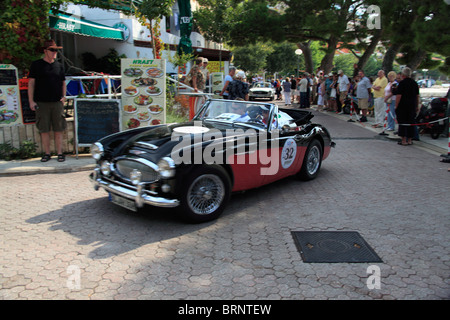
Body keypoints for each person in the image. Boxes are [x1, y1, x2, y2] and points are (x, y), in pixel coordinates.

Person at [28, 39, 67, 162]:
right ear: (45, 51)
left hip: (56, 102)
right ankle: (47, 153)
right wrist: (31, 101)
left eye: (56, 50)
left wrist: (64, 96)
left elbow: (63, 82)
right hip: (41, 102)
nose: (54, 52)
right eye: (52, 50)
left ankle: (60, 153)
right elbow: (31, 84)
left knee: (59, 128)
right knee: (44, 129)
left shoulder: (59, 66)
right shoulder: (36, 65)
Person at [395, 67, 420, 146]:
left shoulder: (402, 83)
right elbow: (417, 95)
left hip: (403, 105)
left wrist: (396, 105)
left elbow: (399, 95)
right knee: (411, 122)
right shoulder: (414, 83)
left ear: (403, 75)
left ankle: (403, 140)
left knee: (402, 122)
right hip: (412, 105)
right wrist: (417, 105)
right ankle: (409, 139)